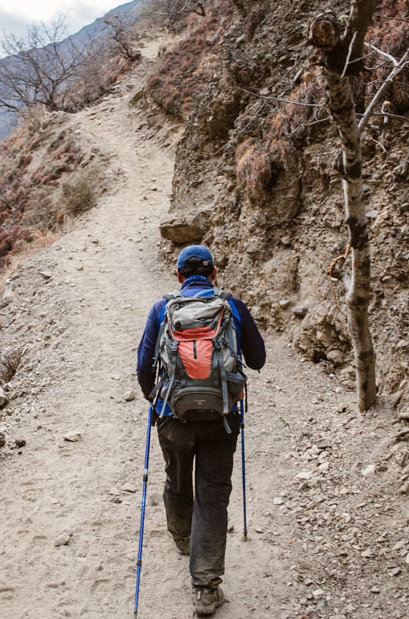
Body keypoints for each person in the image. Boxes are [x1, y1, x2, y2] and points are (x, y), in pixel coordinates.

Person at [136, 245, 266, 615]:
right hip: (222, 419)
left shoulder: (163, 309)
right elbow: (257, 360)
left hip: (173, 417)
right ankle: (206, 588)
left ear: (178, 276)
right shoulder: (233, 306)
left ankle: (182, 538)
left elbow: (144, 368)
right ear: (213, 274)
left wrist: (157, 402)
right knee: (212, 497)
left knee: (177, 481)